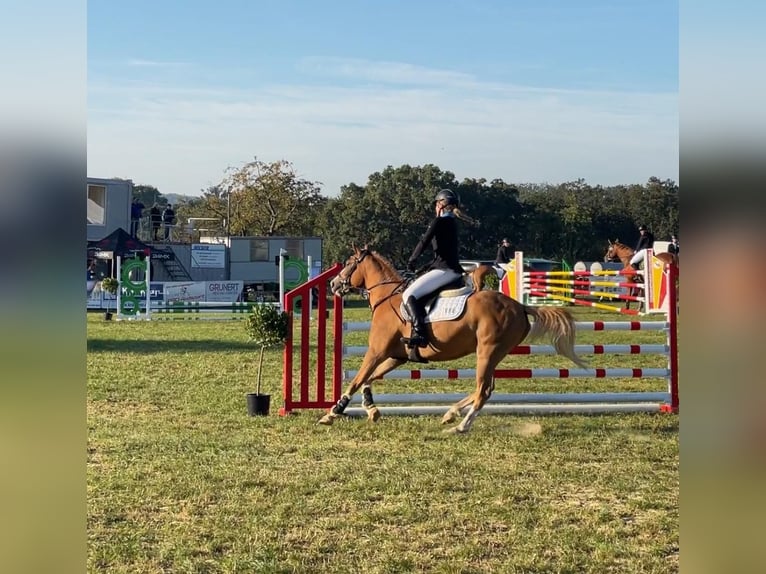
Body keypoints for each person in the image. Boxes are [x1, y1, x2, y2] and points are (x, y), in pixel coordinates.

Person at [401, 189, 479, 353]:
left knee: (409, 295)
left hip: (445, 271)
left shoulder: (438, 222)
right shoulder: (452, 224)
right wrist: (424, 268)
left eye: (436, 204)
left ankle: (420, 334)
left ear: (440, 205)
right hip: (451, 270)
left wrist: (411, 261)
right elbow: (443, 254)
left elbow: (423, 242)